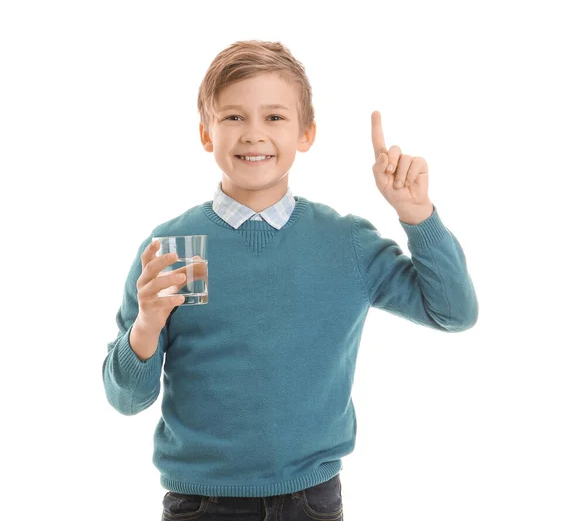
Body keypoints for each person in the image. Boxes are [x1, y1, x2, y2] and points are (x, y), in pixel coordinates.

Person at [102, 39, 478, 520]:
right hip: (200, 504)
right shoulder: (175, 248)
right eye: (234, 117)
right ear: (205, 134)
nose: (253, 134)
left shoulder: (346, 243)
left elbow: (453, 312)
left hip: (313, 501)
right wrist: (146, 328)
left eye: (274, 117)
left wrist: (417, 216)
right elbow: (126, 398)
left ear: (306, 133)